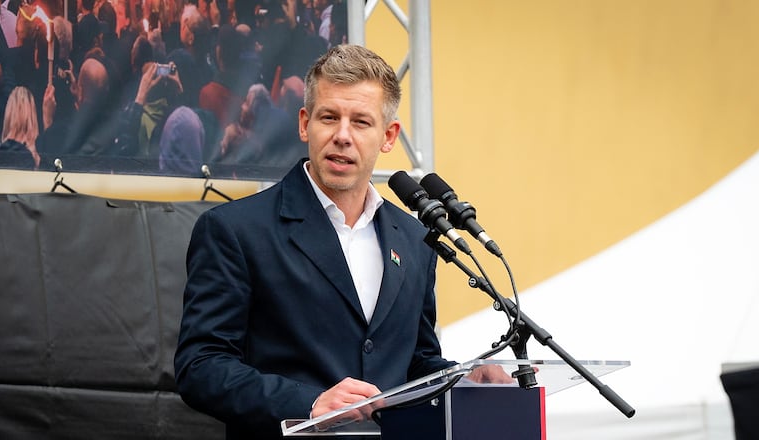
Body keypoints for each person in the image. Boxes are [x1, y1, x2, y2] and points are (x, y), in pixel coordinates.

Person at [175, 44, 510, 440]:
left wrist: (463, 377)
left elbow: (413, 360)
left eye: (361, 122)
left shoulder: (417, 239)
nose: (342, 136)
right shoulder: (235, 230)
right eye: (329, 118)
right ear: (304, 124)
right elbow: (201, 366)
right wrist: (310, 405)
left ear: (388, 136)